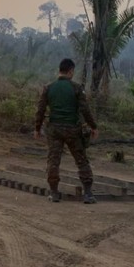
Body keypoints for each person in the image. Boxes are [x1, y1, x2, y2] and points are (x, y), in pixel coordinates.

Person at [33, 58, 99, 204]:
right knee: (81, 160)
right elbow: (85, 110)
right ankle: (88, 194)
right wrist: (93, 126)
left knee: (53, 160)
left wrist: (37, 128)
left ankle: (54, 193)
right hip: (73, 129)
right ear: (70, 71)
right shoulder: (76, 88)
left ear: (60, 70)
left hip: (54, 129)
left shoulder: (49, 88)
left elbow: (40, 110)